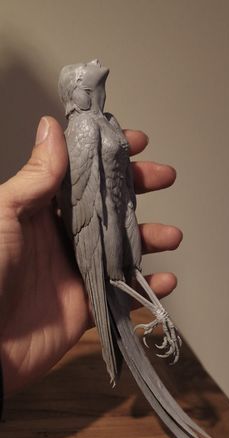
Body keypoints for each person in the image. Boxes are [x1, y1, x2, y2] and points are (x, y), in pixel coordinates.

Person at [0, 116, 182, 397]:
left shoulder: (107, 122)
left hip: (122, 216)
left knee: (131, 269)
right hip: (99, 229)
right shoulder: (82, 129)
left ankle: (156, 315)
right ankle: (151, 320)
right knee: (118, 278)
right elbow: (86, 211)